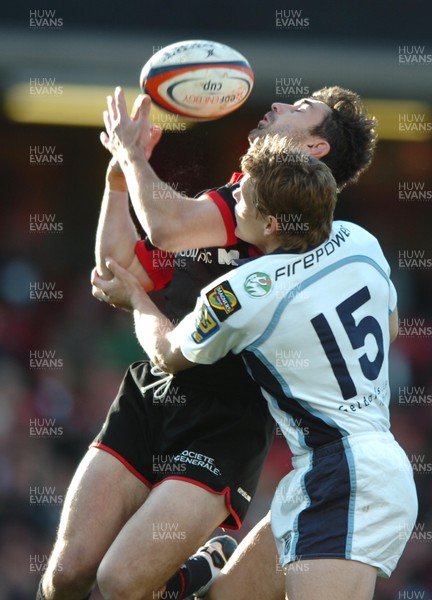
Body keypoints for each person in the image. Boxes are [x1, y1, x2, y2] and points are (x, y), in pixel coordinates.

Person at [38, 85, 378, 600]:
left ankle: (192, 575)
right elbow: (120, 268)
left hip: (225, 423)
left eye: (300, 109)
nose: (280, 104)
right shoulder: (239, 195)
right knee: (68, 574)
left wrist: (132, 156)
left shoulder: (294, 230)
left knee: (120, 582)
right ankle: (187, 575)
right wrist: (116, 180)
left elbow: (165, 227)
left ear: (315, 150)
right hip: (152, 398)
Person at [92, 136, 418, 600]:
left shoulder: (245, 291)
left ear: (269, 222)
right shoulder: (359, 238)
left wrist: (136, 300)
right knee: (224, 596)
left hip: (346, 477)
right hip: (345, 464)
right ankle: (198, 572)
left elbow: (165, 352)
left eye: (243, 193)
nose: (234, 194)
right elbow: (390, 327)